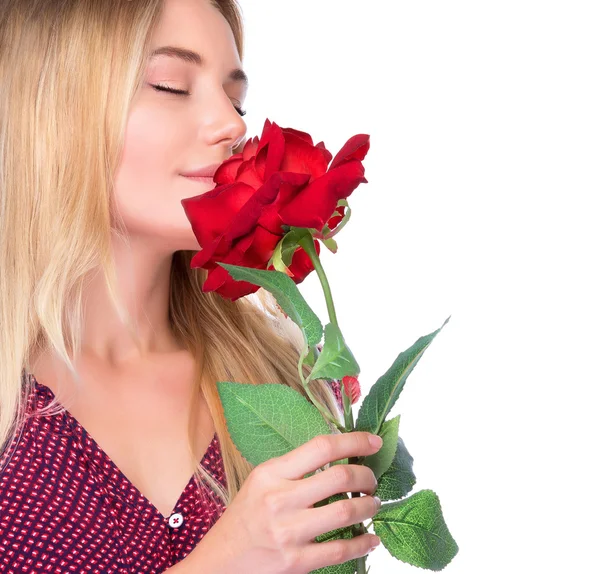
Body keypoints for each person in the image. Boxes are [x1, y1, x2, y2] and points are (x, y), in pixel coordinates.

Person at [0, 0, 383, 571]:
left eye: (236, 97)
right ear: (49, 109)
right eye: (171, 85)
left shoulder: (286, 372)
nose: (232, 124)